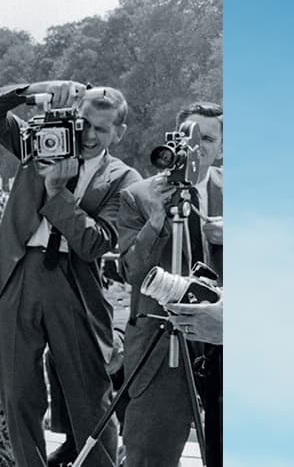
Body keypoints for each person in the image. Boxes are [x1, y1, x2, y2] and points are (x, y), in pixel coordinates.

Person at [0, 80, 142, 467]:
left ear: (119, 132)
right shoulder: (40, 143)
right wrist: (36, 89)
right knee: (17, 392)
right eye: (83, 124)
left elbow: (95, 243)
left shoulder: (123, 179)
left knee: (89, 393)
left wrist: (56, 191)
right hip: (20, 273)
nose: (89, 135)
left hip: (74, 281)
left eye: (101, 128)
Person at [116, 101, 224, 467]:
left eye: (207, 138)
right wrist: (156, 222)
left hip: (227, 341)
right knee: (149, 456)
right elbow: (132, 272)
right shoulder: (139, 196)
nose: (198, 147)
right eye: (189, 136)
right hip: (161, 347)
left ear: (221, 148)